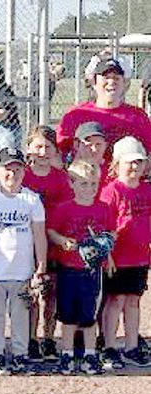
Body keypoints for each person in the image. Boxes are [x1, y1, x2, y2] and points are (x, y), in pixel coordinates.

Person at [0, 147, 47, 375]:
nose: (12, 174)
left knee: (20, 314)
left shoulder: (31, 199)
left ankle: (20, 354)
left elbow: (39, 234)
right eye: (6, 169)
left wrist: (40, 266)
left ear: (24, 172)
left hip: (21, 270)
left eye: (17, 169)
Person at [48, 160, 115, 375]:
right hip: (68, 269)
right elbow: (51, 231)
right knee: (68, 315)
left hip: (92, 271)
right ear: (72, 183)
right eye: (84, 184)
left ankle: (90, 354)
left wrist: (109, 255)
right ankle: (67, 354)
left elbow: (109, 235)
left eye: (94, 184)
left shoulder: (103, 209)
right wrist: (62, 241)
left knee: (89, 316)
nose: (90, 189)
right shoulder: (64, 208)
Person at [99, 137, 151, 369]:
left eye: (139, 162)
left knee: (133, 301)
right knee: (115, 300)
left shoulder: (147, 189)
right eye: (129, 162)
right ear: (116, 164)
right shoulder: (112, 191)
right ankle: (109, 345)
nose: (134, 167)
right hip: (117, 258)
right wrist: (107, 254)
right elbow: (103, 226)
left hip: (139, 257)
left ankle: (131, 346)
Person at [22, 126, 72, 363]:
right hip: (27, 241)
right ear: (28, 149)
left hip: (52, 240)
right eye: (37, 147)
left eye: (48, 147)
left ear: (55, 150)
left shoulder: (60, 178)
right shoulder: (23, 175)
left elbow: (66, 211)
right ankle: (31, 338)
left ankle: (49, 337)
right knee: (32, 292)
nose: (42, 152)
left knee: (50, 292)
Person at [56, 58, 151, 163]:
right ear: (94, 83)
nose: (111, 82)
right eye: (106, 77)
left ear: (124, 83)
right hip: (87, 177)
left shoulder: (137, 116)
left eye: (116, 78)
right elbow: (59, 151)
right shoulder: (77, 114)